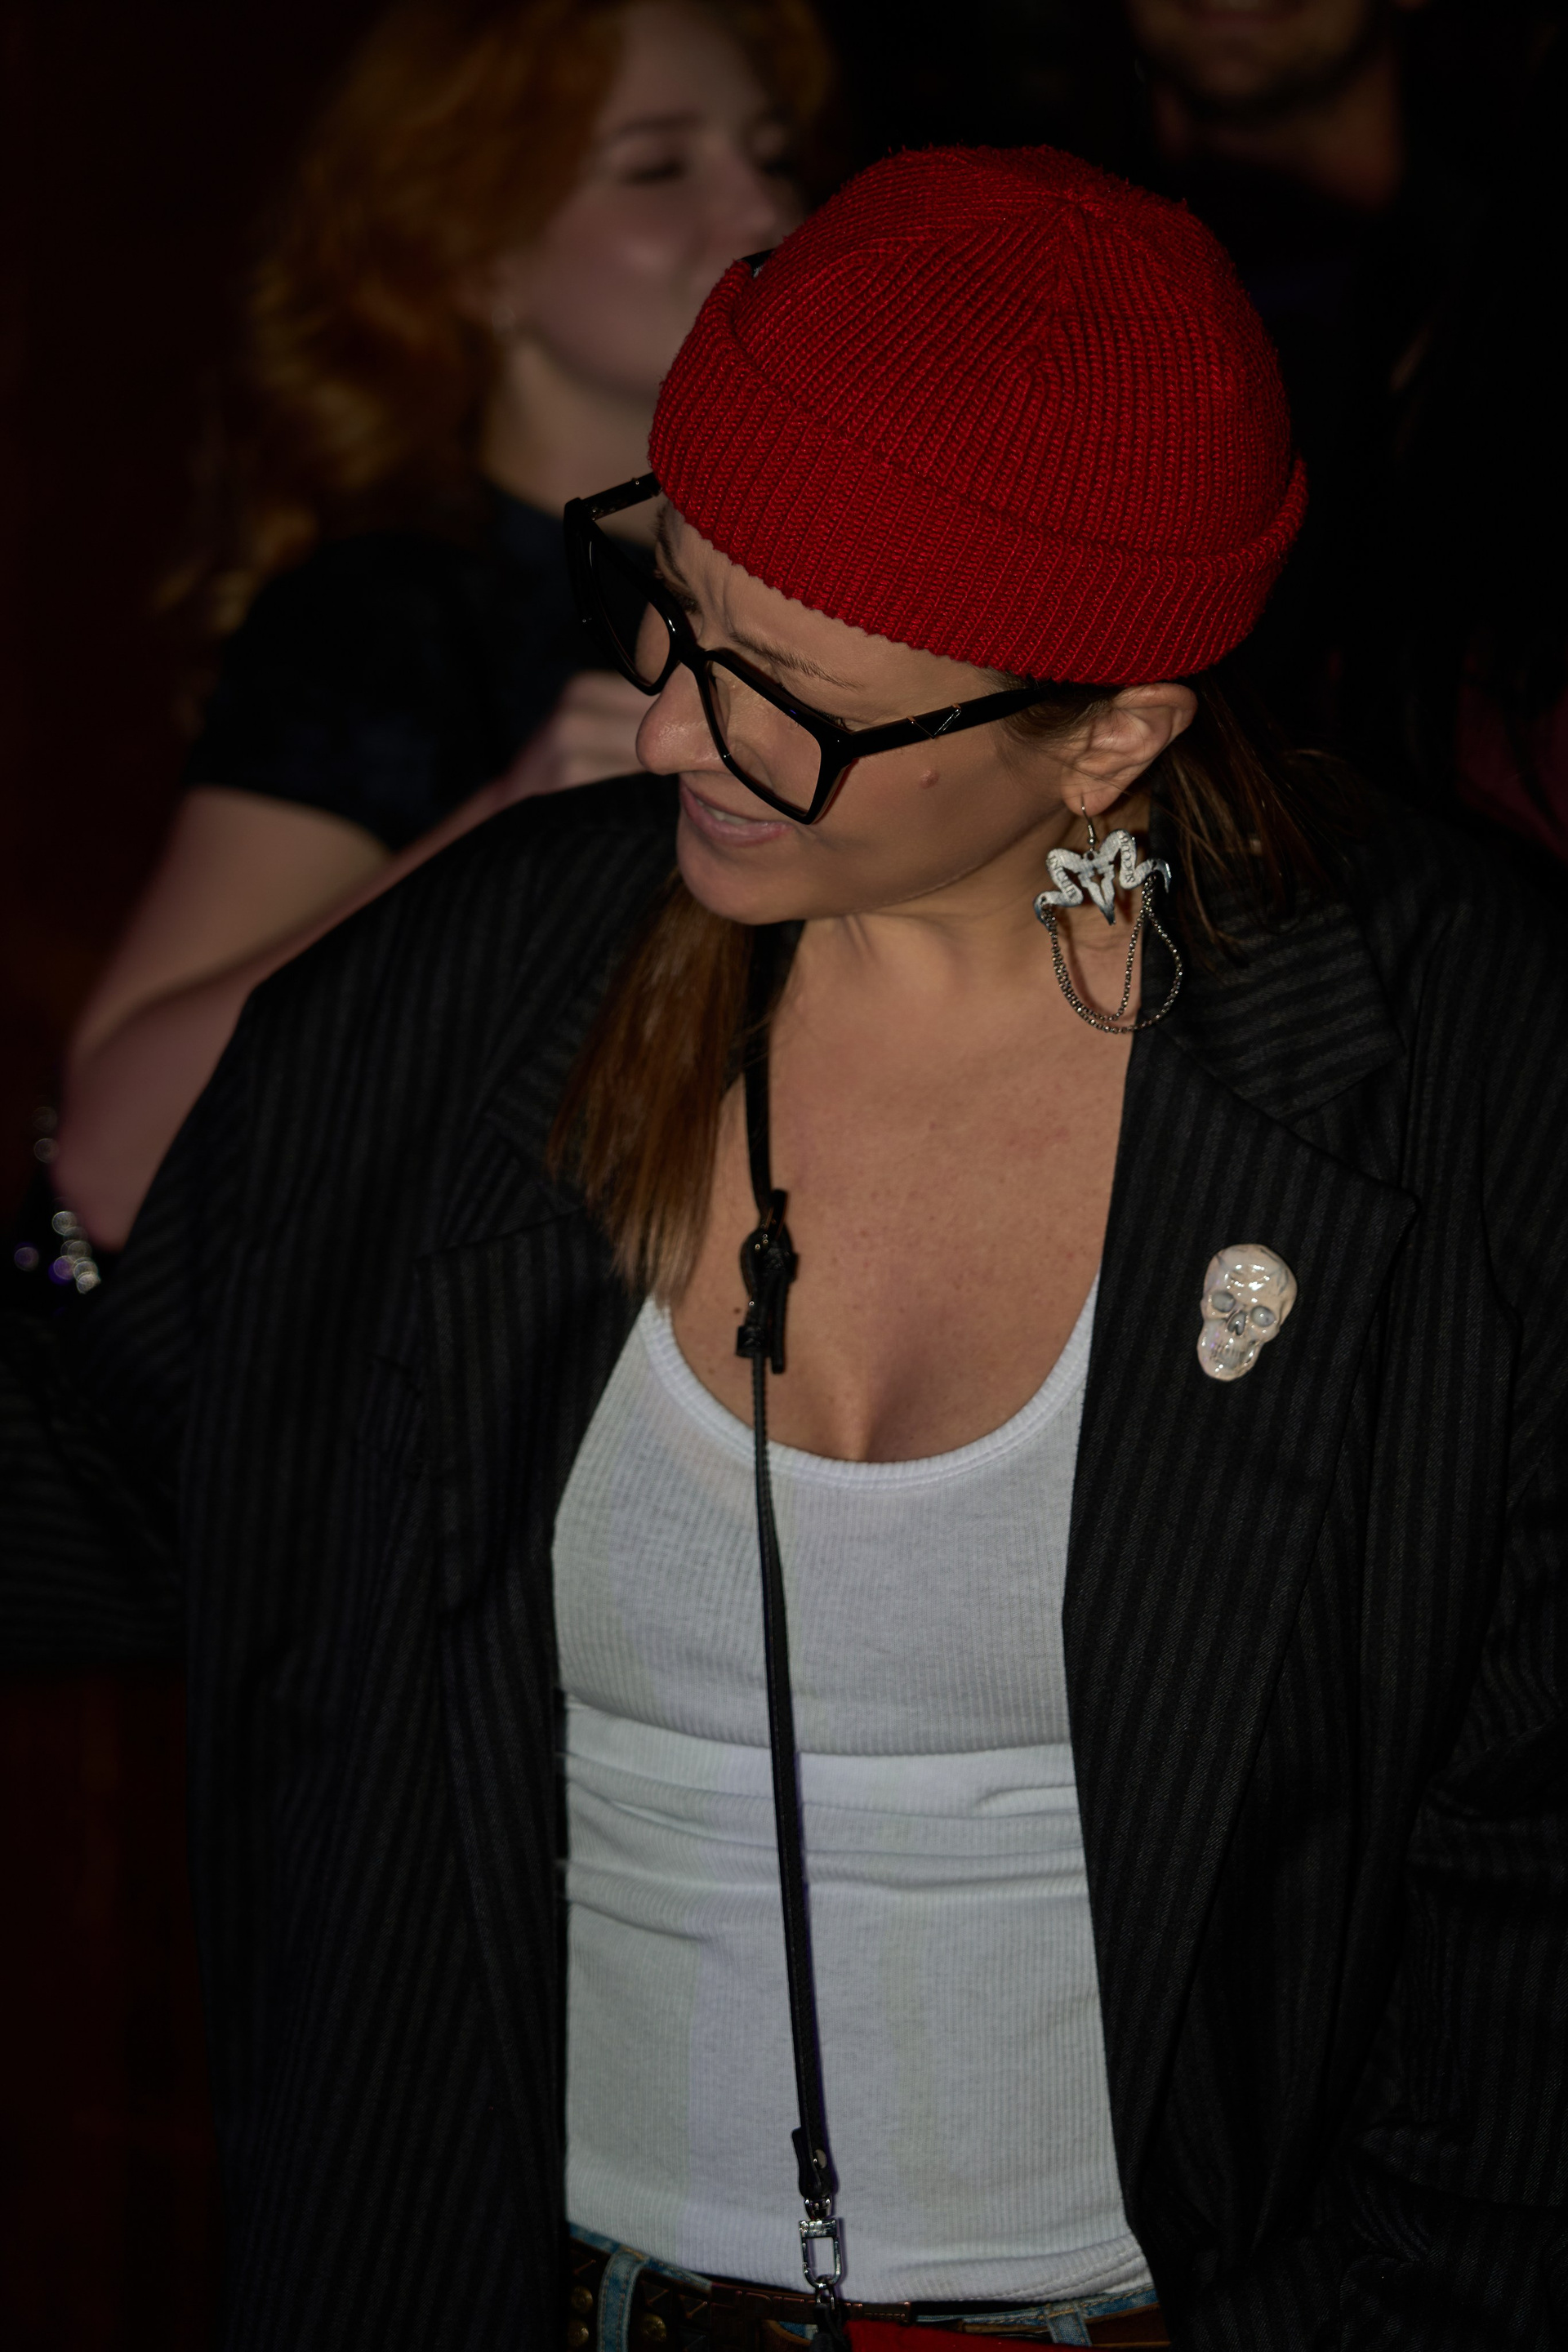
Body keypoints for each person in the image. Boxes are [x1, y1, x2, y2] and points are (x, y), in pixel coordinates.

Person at [3, 145, 1566, 2350]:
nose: (666, 728)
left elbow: (1526, 1943)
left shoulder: (1467, 1086)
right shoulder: (478, 992)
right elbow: (106, 1468)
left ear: (1111, 732)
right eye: (673, 604)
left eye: (792, 702)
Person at [49, 0, 831, 1254]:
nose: (764, 210)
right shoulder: (388, 611)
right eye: (657, 168)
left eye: (773, 153)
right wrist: (508, 827)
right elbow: (116, 1152)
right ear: (479, 261)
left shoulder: (801, 587)